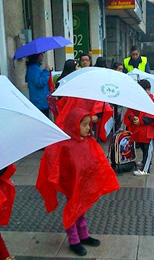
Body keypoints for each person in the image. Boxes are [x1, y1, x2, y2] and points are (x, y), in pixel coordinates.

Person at [36, 108, 120, 256]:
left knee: (80, 210)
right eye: (84, 125)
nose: (88, 127)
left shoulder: (87, 141)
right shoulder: (65, 145)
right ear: (75, 125)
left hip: (83, 183)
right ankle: (74, 240)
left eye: (88, 124)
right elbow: (57, 162)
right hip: (72, 185)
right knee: (74, 210)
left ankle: (84, 235)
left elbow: (94, 159)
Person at [124, 80, 154, 176]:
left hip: (147, 131)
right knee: (143, 147)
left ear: (148, 90)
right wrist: (133, 118)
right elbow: (130, 111)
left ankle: (146, 169)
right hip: (141, 131)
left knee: (147, 149)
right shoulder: (140, 100)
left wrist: (139, 121)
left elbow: (152, 116)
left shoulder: (151, 102)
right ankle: (145, 162)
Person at [25, 53, 52, 117]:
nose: (42, 56)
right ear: (36, 56)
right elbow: (39, 83)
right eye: (41, 54)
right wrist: (46, 71)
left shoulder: (35, 68)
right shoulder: (33, 69)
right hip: (40, 103)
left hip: (41, 101)